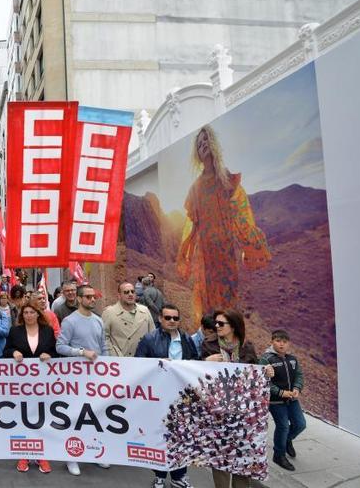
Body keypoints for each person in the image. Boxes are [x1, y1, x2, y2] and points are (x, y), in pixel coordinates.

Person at [176, 125, 271, 324]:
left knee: (228, 305)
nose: (203, 145)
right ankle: (211, 349)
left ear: (213, 144)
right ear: (197, 153)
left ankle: (231, 350)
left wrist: (251, 241)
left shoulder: (226, 180)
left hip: (226, 255)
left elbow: (240, 214)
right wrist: (185, 254)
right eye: (199, 143)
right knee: (209, 307)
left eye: (206, 140)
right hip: (206, 257)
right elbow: (191, 228)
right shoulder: (195, 189)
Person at [200, 309, 274, 488]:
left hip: (243, 412)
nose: (216, 326)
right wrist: (205, 362)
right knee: (220, 454)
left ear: (233, 326)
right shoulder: (208, 345)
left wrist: (266, 371)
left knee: (243, 456)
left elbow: (254, 373)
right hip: (218, 410)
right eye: (215, 323)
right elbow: (197, 374)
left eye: (221, 323)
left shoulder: (246, 347)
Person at [135, 304, 198, 488]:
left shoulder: (186, 338)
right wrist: (159, 364)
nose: (172, 321)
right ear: (160, 319)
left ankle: (179, 477)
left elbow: (195, 361)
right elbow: (138, 364)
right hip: (158, 395)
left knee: (181, 437)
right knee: (160, 436)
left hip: (182, 397)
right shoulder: (149, 339)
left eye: (175, 318)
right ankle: (160, 476)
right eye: (168, 318)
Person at [55, 284, 108, 476]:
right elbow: (60, 347)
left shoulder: (98, 320)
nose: (92, 300)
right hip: (76, 378)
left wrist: (109, 369)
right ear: (79, 299)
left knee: (95, 415)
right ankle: (72, 457)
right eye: (88, 297)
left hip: (96, 377)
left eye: (94, 297)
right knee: (76, 416)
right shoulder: (70, 321)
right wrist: (81, 353)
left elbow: (103, 346)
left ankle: (95, 452)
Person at [3, 304, 57, 474]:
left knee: (41, 417)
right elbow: (6, 350)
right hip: (22, 383)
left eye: (32, 312)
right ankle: (25, 454)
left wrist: (50, 355)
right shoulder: (15, 331)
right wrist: (13, 353)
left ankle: (42, 455)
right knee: (24, 417)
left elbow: (56, 352)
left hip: (43, 383)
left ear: (37, 313)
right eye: (25, 312)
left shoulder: (47, 331)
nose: (28, 315)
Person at [260, 329, 306, 471]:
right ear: (272, 341)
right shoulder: (266, 359)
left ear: (289, 344)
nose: (281, 344)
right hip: (275, 402)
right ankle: (279, 455)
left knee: (300, 424)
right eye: (278, 341)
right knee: (283, 426)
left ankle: (286, 440)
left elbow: (299, 375)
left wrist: (297, 388)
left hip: (292, 399)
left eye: (284, 342)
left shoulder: (292, 359)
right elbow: (264, 381)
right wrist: (281, 392)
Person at [102, 282, 155, 357]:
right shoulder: (110, 312)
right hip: (119, 360)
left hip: (141, 360)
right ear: (119, 295)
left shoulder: (145, 311)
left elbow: (153, 335)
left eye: (132, 292)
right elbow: (104, 337)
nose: (130, 294)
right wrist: (113, 354)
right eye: (126, 292)